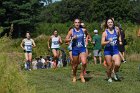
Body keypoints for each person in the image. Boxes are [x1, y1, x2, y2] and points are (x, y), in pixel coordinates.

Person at [65, 19, 89, 83]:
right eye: (76, 22)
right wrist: (72, 38)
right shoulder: (71, 31)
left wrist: (86, 41)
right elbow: (66, 40)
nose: (77, 24)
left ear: (80, 23)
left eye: (78, 22)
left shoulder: (83, 30)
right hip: (75, 49)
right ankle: (74, 76)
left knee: (84, 62)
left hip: (82, 48)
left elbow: (87, 35)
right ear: (74, 24)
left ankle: (81, 75)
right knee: (75, 65)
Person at [101, 18, 122, 82]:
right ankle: (109, 77)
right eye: (108, 22)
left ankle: (114, 72)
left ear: (113, 23)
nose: (110, 23)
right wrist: (108, 41)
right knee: (109, 66)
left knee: (118, 64)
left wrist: (120, 41)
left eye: (111, 22)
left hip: (115, 50)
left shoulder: (116, 30)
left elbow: (119, 36)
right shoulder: (105, 33)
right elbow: (102, 43)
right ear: (107, 24)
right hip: (108, 51)